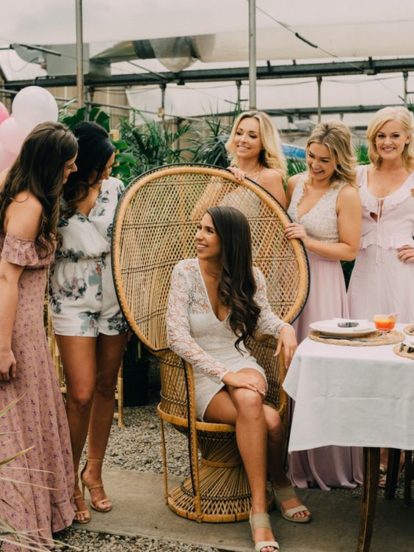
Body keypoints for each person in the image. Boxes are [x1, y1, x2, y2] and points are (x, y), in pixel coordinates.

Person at [167, 206, 311, 552]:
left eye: (209, 231)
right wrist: (225, 375)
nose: (199, 236)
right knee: (270, 419)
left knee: (248, 399)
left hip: (240, 360)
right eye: (199, 228)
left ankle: (258, 507)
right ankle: (277, 484)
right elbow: (176, 337)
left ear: (229, 239)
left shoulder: (251, 275)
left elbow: (263, 321)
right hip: (200, 372)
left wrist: (285, 328)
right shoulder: (185, 272)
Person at [0, 122, 78, 549]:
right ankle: (18, 524)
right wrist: (3, 347)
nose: (73, 168)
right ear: (51, 163)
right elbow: (6, 279)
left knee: (29, 418)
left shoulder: (13, 188)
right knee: (16, 423)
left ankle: (38, 512)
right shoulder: (28, 206)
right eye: (68, 162)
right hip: (15, 329)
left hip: (27, 326)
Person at [49, 122, 128, 524]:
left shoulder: (116, 189)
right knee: (79, 393)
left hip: (115, 295)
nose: (109, 173)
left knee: (105, 385)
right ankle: (67, 480)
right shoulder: (54, 192)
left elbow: (132, 237)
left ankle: (93, 472)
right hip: (71, 297)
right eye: (104, 166)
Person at [285, 121, 362, 490]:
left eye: (324, 160)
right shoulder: (294, 183)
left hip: (325, 285)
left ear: (339, 160)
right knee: (290, 366)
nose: (315, 165)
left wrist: (308, 242)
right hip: (291, 281)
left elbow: (350, 249)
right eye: (311, 156)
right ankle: (292, 461)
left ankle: (330, 464)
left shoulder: (346, 194)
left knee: (321, 370)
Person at [348, 106, 414, 485]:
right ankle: (367, 448)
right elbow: (313, 178)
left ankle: (397, 448)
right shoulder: (358, 175)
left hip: (403, 278)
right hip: (364, 276)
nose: (387, 142)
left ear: (407, 138)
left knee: (400, 360)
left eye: (394, 135)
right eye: (380, 136)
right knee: (363, 357)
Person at [226, 110, 287, 207]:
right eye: (239, 133)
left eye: (252, 136)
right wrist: (222, 186)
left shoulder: (269, 177)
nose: (242, 140)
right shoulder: (223, 175)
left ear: (264, 143)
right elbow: (199, 214)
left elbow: (277, 216)